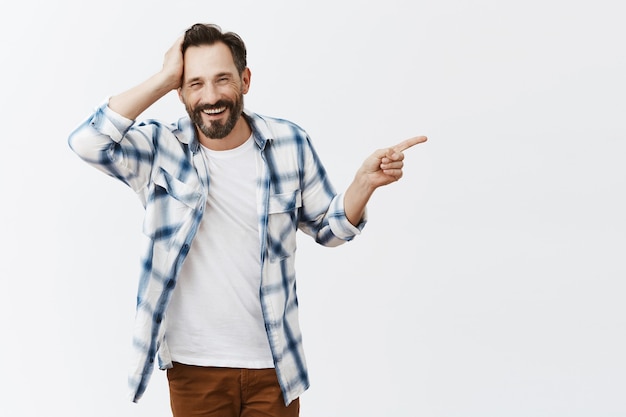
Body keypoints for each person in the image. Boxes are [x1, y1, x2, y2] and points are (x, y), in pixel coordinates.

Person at [68, 23, 426, 417]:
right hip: (194, 368)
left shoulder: (289, 143)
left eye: (222, 80)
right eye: (194, 83)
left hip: (274, 366)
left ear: (245, 80)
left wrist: (363, 184)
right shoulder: (159, 149)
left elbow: (329, 229)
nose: (211, 96)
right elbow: (89, 141)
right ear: (181, 92)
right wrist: (164, 78)